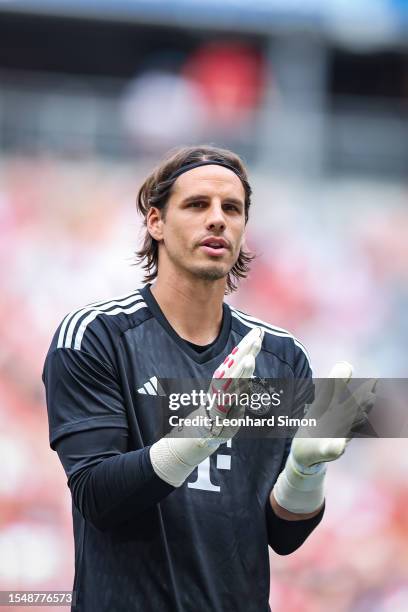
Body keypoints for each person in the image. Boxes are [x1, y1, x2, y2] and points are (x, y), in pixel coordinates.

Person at [43, 145, 360, 611]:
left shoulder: (282, 356)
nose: (217, 219)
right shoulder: (96, 335)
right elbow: (97, 495)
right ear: (156, 222)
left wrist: (305, 471)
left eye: (232, 209)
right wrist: (200, 434)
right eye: (197, 205)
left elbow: (284, 536)